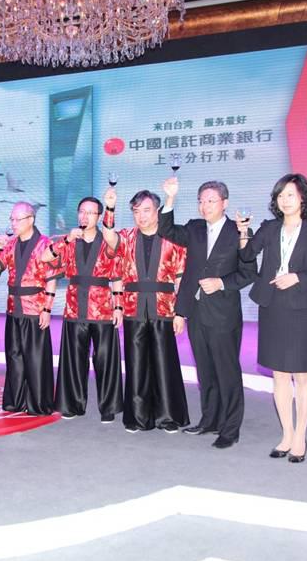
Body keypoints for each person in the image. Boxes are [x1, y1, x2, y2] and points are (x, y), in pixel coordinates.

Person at [237, 174, 307, 463]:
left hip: (301, 306)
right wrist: (243, 232)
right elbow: (247, 255)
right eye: (280, 195)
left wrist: (298, 277)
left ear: (303, 197)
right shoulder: (269, 228)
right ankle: (287, 434)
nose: (284, 200)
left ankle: (300, 436)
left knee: (302, 375)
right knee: (279, 374)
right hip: (273, 305)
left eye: (290, 194)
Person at [158, 178, 258, 448]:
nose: (205, 206)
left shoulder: (239, 231)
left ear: (225, 203)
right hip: (197, 312)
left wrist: (221, 283)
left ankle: (230, 429)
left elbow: (249, 272)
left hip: (224, 314)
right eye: (201, 201)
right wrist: (170, 198)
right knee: (205, 371)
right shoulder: (194, 228)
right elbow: (166, 229)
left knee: (227, 372)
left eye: (211, 200)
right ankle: (210, 420)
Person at [101, 188, 189, 434]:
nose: (141, 216)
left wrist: (181, 313)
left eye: (146, 210)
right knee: (136, 364)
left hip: (165, 308)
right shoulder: (127, 237)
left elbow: (181, 279)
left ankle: (168, 417)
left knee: (164, 363)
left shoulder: (173, 238)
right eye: (136, 211)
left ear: (157, 211)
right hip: (133, 308)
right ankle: (138, 418)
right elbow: (108, 236)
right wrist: (110, 207)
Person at [41, 197, 124, 423]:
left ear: (99, 216)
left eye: (90, 212)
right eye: (82, 212)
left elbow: (117, 275)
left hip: (103, 309)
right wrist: (67, 239)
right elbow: (45, 257)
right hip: (74, 308)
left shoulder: (108, 241)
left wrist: (118, 306)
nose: (85, 216)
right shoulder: (68, 241)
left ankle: (108, 407)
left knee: (105, 360)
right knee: (74, 359)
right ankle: (72, 404)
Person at [0, 202, 57, 415]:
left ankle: (38, 403)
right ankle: (15, 401)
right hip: (13, 308)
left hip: (35, 308)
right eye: (12, 219)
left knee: (36, 360)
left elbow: (52, 278)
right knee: (14, 356)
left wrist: (47, 309)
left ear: (31, 220)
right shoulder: (9, 244)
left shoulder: (45, 244)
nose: (13, 223)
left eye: (18, 219)